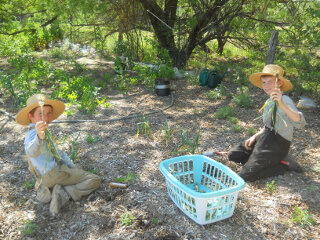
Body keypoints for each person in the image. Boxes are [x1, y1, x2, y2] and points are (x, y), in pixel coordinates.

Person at [16, 94, 101, 214]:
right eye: (40, 113)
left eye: (49, 113)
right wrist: (39, 137)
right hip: (52, 174)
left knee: (75, 169)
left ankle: (48, 190)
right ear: (30, 116)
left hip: (42, 177)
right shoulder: (34, 134)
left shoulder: (40, 132)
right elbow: (32, 152)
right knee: (93, 179)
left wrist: (71, 165)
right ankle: (65, 193)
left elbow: (58, 152)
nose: (46, 117)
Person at [228, 64, 306, 182]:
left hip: (278, 143)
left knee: (245, 175)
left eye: (269, 82)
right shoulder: (269, 100)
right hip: (265, 138)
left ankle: (282, 166)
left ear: (279, 83)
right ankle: (264, 160)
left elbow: (299, 122)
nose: (266, 86)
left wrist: (281, 104)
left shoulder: (284, 100)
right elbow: (268, 126)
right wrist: (254, 137)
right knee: (233, 155)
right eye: (263, 83)